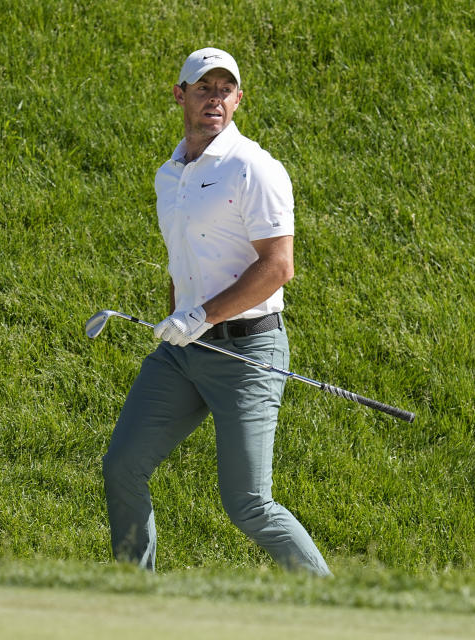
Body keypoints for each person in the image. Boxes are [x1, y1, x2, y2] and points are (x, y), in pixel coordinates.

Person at [102, 47, 331, 576]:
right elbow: (183, 260)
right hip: (184, 351)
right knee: (123, 466)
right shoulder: (170, 175)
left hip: (248, 351)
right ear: (180, 95)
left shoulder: (254, 168)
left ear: (238, 100)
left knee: (248, 504)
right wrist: (179, 318)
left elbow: (277, 267)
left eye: (225, 89)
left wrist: (198, 315)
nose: (215, 98)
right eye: (204, 87)